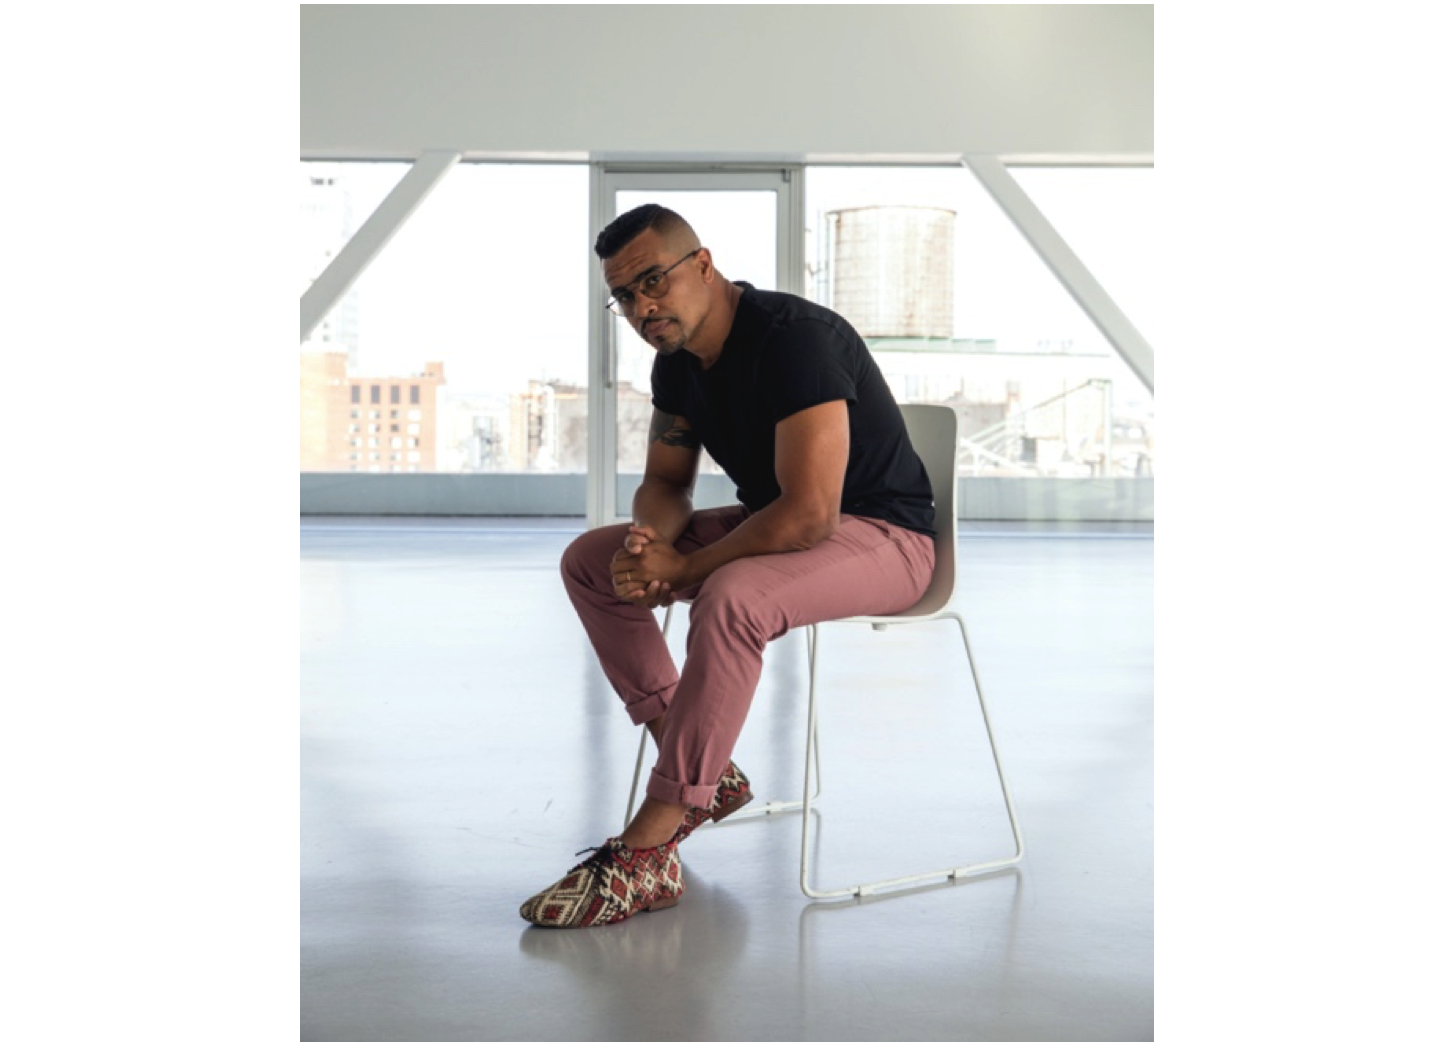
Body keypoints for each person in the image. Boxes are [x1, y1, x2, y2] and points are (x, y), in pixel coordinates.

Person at [520, 204, 938, 928]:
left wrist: (691, 570)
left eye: (653, 281)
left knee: (734, 594)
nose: (641, 306)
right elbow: (667, 482)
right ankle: (702, 767)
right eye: (623, 295)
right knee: (591, 560)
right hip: (776, 521)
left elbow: (810, 512)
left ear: (703, 265)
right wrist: (649, 546)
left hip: (885, 535)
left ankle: (652, 844)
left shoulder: (794, 340)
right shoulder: (676, 363)